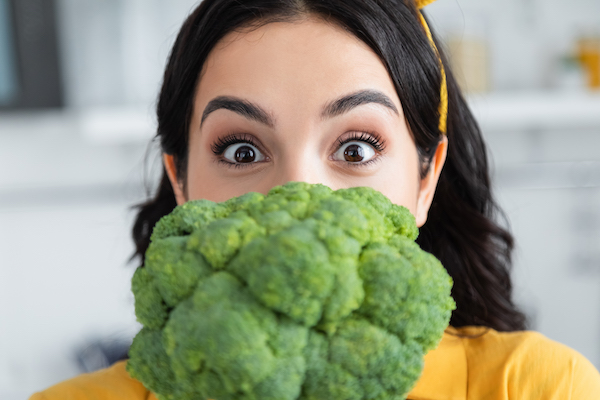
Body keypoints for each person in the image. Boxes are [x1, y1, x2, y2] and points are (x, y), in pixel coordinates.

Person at [30, 0, 600, 399]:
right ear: (181, 186)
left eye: (355, 149)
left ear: (426, 181)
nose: (298, 194)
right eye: (242, 152)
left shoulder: (537, 387)